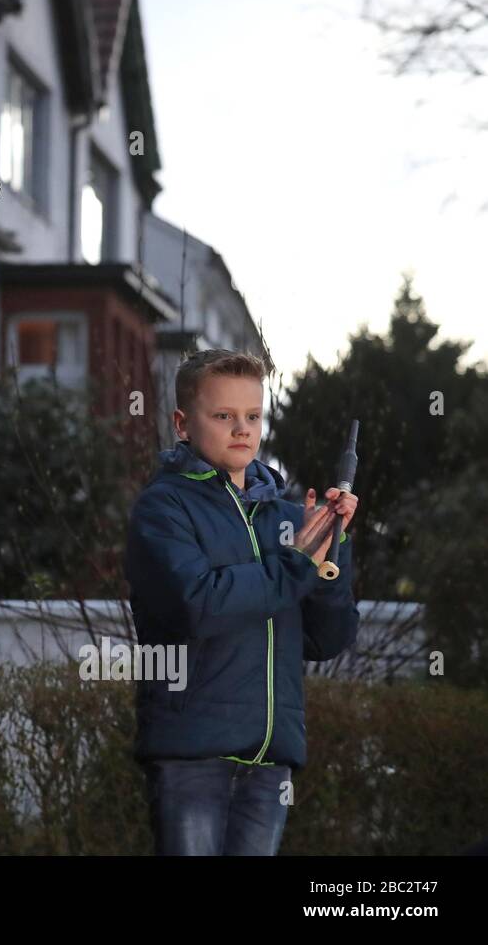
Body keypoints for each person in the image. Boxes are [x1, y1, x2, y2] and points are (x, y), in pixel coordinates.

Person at [126, 349, 360, 855]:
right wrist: (297, 562)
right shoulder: (164, 507)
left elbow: (326, 639)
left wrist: (329, 554)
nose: (242, 429)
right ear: (183, 424)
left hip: (271, 758)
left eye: (252, 416)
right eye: (224, 416)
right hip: (193, 753)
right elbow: (200, 606)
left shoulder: (287, 516)